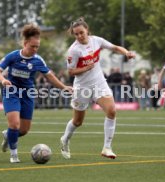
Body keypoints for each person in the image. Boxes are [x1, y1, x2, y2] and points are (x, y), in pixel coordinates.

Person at [0, 23, 72, 163]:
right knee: (14, 124)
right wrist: (3, 80)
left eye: (37, 47)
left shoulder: (38, 60)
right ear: (25, 43)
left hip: (28, 94)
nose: (35, 49)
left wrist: (64, 87)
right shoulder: (13, 56)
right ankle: (14, 155)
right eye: (32, 46)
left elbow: (50, 76)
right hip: (11, 92)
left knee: (23, 130)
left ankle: (8, 136)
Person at [60, 17, 135, 159]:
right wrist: (85, 68)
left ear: (87, 30)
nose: (79, 36)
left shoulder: (97, 40)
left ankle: (107, 148)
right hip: (82, 87)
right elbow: (70, 72)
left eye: (81, 32)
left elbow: (114, 47)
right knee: (78, 122)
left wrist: (126, 53)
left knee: (112, 111)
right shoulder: (74, 50)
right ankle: (65, 139)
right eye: (76, 34)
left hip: (99, 83)